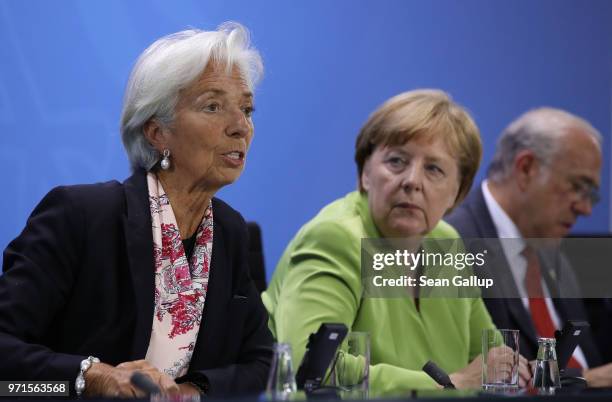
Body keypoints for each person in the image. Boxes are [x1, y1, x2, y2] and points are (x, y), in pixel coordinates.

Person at [0, 23, 272, 397]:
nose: (241, 127)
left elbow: (261, 361)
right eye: (213, 106)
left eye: (246, 109)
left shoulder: (229, 231)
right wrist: (92, 377)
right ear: (157, 132)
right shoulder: (80, 216)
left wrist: (191, 391)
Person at [262, 89, 531, 394]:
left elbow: (492, 357)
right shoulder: (335, 238)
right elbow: (309, 369)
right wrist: (450, 385)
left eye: (434, 169)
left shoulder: (445, 244)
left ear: (458, 192)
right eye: (396, 161)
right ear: (366, 172)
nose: (412, 181)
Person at [446, 107, 612, 387]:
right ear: (526, 169)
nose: (585, 208)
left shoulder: (554, 247)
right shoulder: (451, 245)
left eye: (590, 193)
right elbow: (469, 378)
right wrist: (587, 381)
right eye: (576, 186)